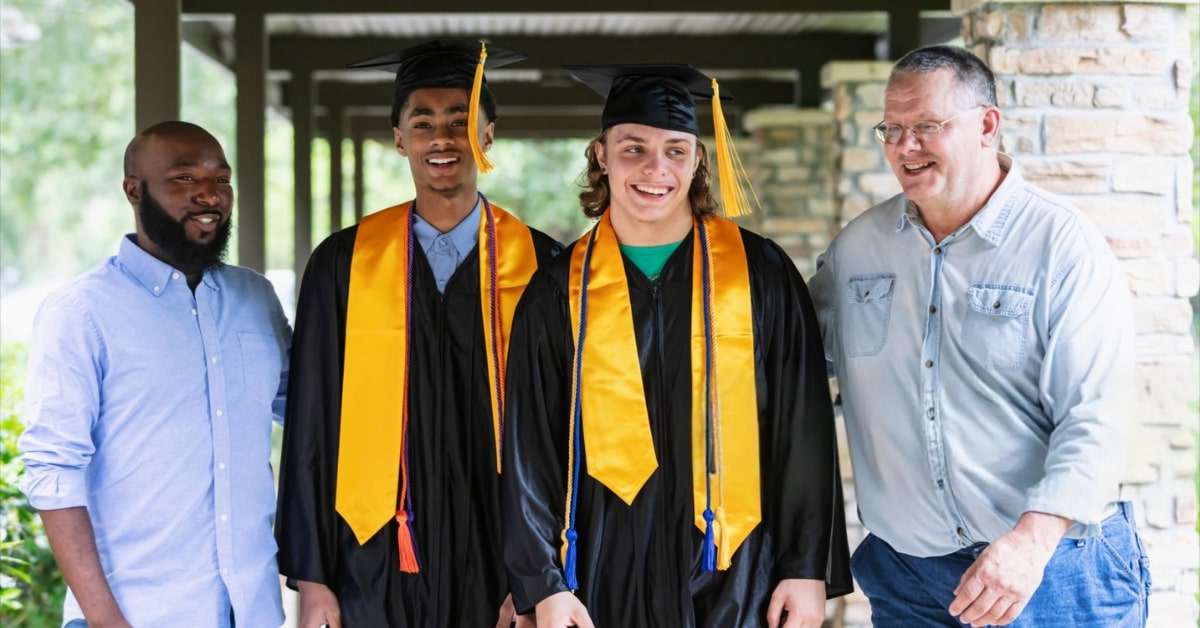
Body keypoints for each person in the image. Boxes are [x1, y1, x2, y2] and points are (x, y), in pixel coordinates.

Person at [502, 64, 852, 628]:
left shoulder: (761, 275)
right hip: (597, 569)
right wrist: (542, 585)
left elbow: (802, 431)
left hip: (739, 569)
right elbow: (529, 448)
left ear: (697, 161)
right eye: (633, 148)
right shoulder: (556, 291)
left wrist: (805, 567)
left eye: (675, 150)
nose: (654, 169)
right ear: (600, 156)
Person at [809, 45, 1148, 627]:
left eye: (925, 127)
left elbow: (1097, 416)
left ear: (987, 125)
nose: (903, 146)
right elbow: (787, 366)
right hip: (909, 578)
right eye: (891, 128)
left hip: (1051, 572)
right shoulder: (856, 250)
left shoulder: (1062, 246)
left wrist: (1031, 543)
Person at [274, 39, 561, 628]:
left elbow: (561, 435)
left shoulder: (542, 266)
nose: (442, 138)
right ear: (399, 137)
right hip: (375, 558)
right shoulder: (343, 265)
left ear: (487, 135)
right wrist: (314, 579)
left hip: (502, 561)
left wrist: (541, 581)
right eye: (422, 121)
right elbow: (311, 424)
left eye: (461, 120)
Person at [18, 121, 289, 627]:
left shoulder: (257, 300)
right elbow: (54, 472)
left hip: (250, 611)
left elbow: (316, 414)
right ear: (133, 190)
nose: (210, 195)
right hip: (135, 615)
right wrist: (107, 622)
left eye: (221, 179)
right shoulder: (82, 312)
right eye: (184, 179)